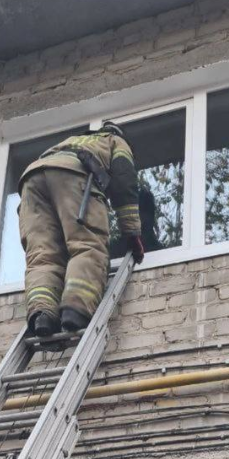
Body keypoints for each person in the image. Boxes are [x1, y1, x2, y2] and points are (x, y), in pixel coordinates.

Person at [17, 121, 145, 338]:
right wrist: (131, 232)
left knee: (43, 257)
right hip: (72, 174)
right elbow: (124, 181)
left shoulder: (73, 141)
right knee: (87, 245)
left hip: (31, 181)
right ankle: (75, 310)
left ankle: (42, 314)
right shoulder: (116, 141)